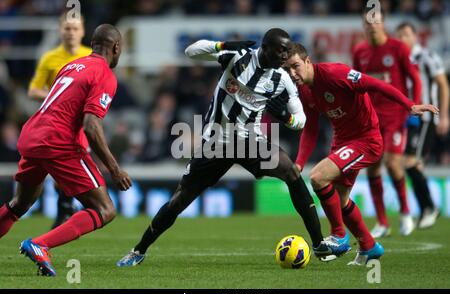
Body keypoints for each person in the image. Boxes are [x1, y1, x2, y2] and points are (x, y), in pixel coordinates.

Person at [117, 28, 347, 267]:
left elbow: (301, 120)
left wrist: (285, 117)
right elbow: (191, 52)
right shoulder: (238, 56)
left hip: (250, 142)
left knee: (291, 172)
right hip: (216, 141)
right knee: (180, 199)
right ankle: (138, 250)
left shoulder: (283, 79)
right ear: (265, 48)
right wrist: (221, 45)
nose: (284, 55)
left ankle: (319, 243)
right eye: (280, 50)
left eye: (287, 51)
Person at [284, 43, 438, 265]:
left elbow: (375, 83)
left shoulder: (335, 73)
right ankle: (369, 246)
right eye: (287, 69)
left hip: (366, 140)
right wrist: (299, 163)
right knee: (341, 198)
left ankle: (338, 235)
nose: (292, 73)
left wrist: (409, 105)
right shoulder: (305, 91)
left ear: (308, 61)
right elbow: (310, 129)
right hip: (342, 142)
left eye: (296, 66)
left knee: (318, 177)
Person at [0, 24, 131, 277]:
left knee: (20, 204)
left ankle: (39, 240)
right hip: (57, 142)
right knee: (105, 210)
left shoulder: (71, 66)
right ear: (116, 47)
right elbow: (91, 126)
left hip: (32, 135)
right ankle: (39, 245)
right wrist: (114, 169)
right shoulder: (104, 74)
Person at [352, 9, 422, 237]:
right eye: (368, 23)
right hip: (371, 119)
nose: (372, 26)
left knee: (393, 164)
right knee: (373, 168)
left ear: (383, 24)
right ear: (364, 26)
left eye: (376, 22)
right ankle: (382, 222)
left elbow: (414, 78)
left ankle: (405, 213)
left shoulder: (398, 48)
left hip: (395, 117)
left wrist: (414, 105)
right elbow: (356, 85)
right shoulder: (359, 51)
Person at [28, 12, 92, 229]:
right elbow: (33, 90)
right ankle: (65, 207)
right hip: (55, 122)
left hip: (80, 122)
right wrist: (57, 96)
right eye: (67, 28)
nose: (71, 33)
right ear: (60, 31)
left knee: (71, 167)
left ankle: (65, 207)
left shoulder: (90, 56)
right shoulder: (49, 58)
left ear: (83, 31)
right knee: (58, 172)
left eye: (75, 28)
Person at [396, 22, 449, 229]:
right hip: (408, 120)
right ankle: (426, 209)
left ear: (415, 37)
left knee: (409, 163)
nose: (402, 39)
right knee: (413, 165)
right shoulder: (401, 61)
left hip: (426, 119)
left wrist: (444, 116)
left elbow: (443, 85)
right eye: (399, 36)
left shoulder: (427, 57)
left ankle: (429, 208)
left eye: (406, 35)